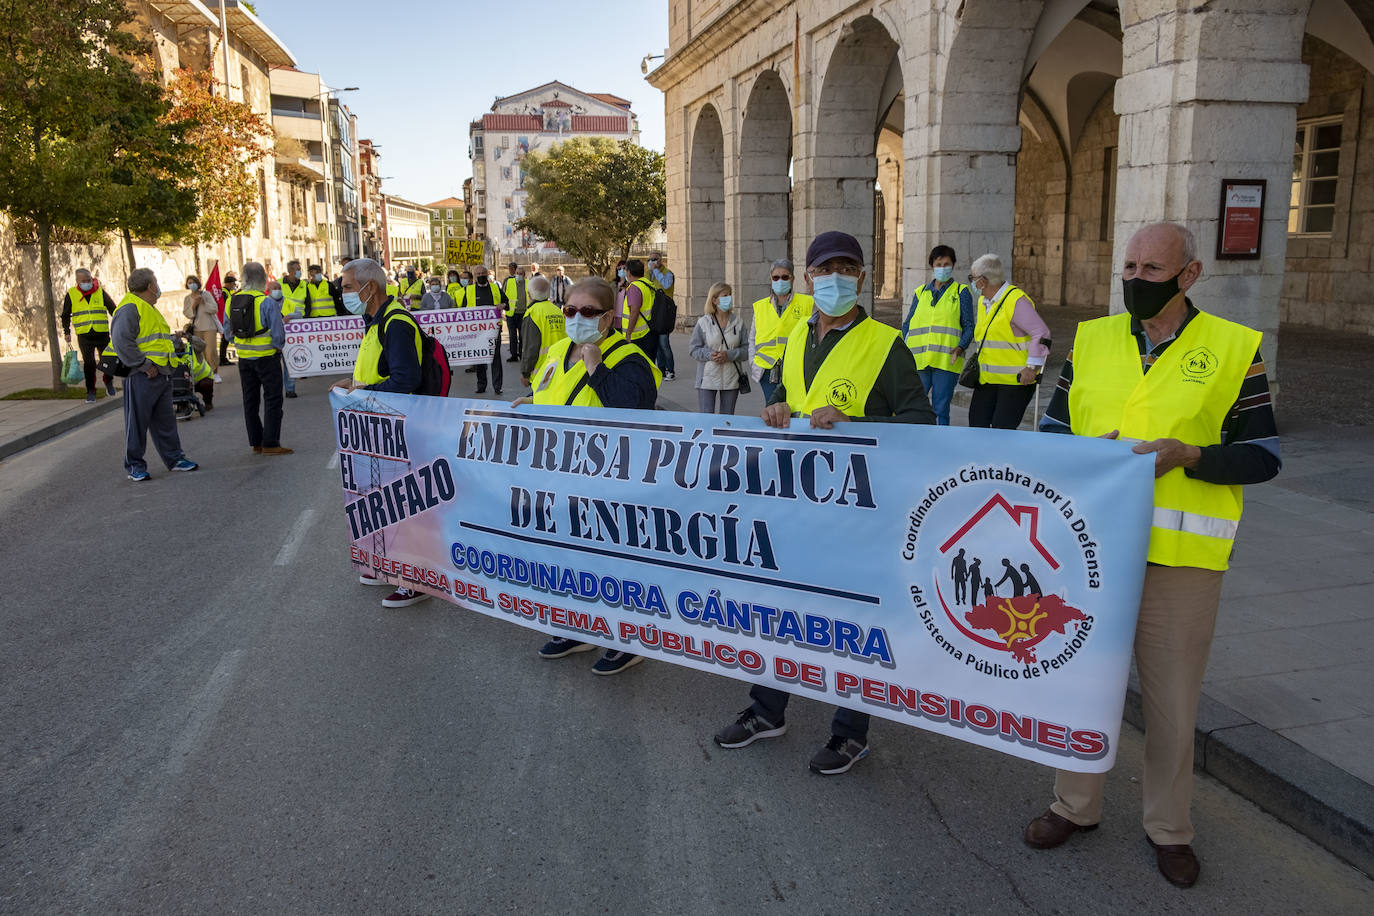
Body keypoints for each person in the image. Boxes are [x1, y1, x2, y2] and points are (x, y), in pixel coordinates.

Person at [1026, 222, 1282, 889]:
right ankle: (1073, 805)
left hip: (1182, 562)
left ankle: (1169, 829)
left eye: (1152, 269)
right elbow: (1050, 436)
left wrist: (1191, 455)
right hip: (1090, 556)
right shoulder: (1096, 339)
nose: (1137, 280)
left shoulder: (1233, 349)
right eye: (1130, 267)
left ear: (1190, 275)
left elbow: (1264, 457)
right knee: (1084, 688)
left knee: (1172, 704)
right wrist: (1085, 455)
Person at [713, 230, 935, 775]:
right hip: (794, 500)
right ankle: (767, 711)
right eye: (824, 269)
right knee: (780, 607)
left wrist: (859, 425)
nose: (835, 278)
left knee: (854, 623)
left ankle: (850, 734)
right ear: (808, 276)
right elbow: (780, 389)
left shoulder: (886, 344)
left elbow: (922, 426)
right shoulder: (795, 338)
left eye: (847, 269)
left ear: (860, 277)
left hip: (859, 510)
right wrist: (776, 406)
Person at [518, 276, 660, 675]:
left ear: (608, 317)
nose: (576, 318)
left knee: (614, 564)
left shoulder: (629, 357)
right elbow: (554, 393)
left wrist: (597, 368)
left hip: (607, 482)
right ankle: (579, 626)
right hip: (557, 478)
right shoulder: (559, 349)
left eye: (588, 312)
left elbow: (635, 409)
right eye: (570, 310)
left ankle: (628, 638)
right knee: (569, 560)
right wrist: (529, 402)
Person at [332, 258, 429, 611]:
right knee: (380, 501)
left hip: (400, 426)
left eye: (345, 287)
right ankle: (389, 567)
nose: (341, 293)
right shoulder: (375, 321)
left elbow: (406, 379)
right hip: (378, 427)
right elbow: (377, 371)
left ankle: (413, 579)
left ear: (368, 287)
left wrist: (364, 392)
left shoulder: (396, 323)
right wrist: (353, 385)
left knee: (403, 505)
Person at [104, 267, 199, 480]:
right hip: (142, 375)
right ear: (149, 286)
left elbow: (153, 338)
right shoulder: (129, 308)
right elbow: (122, 342)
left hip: (161, 374)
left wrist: (174, 339)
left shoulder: (148, 307)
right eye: (156, 283)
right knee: (137, 422)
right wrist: (144, 365)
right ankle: (135, 466)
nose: (158, 287)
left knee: (165, 421)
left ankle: (175, 459)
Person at [966, 254, 1051, 429]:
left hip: (1015, 382)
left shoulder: (1015, 301)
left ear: (982, 281)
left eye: (972, 278)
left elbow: (1041, 333)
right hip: (987, 379)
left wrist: (1032, 367)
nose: (972, 283)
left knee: (1001, 430)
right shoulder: (984, 301)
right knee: (977, 424)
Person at [903, 245, 976, 426]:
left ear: (953, 266)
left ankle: (940, 445)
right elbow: (907, 324)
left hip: (946, 360)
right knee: (915, 407)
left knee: (941, 409)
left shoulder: (961, 292)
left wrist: (961, 347)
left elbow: (969, 326)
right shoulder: (920, 293)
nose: (943, 267)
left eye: (947, 264)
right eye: (939, 264)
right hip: (919, 361)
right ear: (932, 266)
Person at [226, 262, 291, 456]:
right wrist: (278, 348)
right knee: (272, 400)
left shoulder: (232, 300)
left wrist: (240, 342)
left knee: (250, 401)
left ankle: (256, 442)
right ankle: (271, 443)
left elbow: (227, 332)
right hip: (266, 357)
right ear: (263, 279)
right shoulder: (267, 302)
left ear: (243, 279)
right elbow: (277, 332)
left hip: (244, 359)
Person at [749, 258, 814, 403]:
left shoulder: (807, 303)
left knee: (793, 407)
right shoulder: (760, 307)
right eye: (776, 277)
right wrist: (753, 363)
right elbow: (752, 339)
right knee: (772, 408)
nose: (780, 280)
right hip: (767, 370)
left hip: (795, 368)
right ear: (771, 279)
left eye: (785, 277)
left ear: (792, 279)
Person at [689, 282, 748, 414]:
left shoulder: (738, 322)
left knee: (727, 419)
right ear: (714, 300)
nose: (729, 298)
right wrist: (710, 354)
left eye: (730, 295)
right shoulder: (703, 322)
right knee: (707, 418)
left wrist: (730, 355)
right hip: (707, 379)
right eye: (725, 295)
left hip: (731, 378)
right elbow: (694, 349)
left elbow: (746, 350)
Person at [62, 268, 120, 402]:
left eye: (89, 280)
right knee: (89, 364)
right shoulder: (71, 294)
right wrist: (67, 332)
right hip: (84, 335)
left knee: (108, 359)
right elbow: (65, 315)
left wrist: (119, 326)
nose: (88, 283)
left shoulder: (99, 291)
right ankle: (91, 392)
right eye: (84, 281)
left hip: (102, 333)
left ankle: (108, 380)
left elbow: (113, 309)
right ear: (77, 281)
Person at [455, 265, 505, 394]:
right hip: (476, 332)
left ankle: (497, 386)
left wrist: (503, 305)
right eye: (478, 274)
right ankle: (481, 385)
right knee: (480, 358)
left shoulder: (495, 288)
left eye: (483, 273)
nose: (481, 275)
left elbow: (508, 303)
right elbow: (462, 311)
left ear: (487, 274)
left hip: (494, 331)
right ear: (475, 276)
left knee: (495, 358)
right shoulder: (469, 290)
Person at [519, 275, 565, 388]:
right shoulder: (557, 310)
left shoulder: (532, 314)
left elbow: (530, 347)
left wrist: (525, 373)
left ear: (529, 294)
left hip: (541, 373)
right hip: (559, 368)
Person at [616, 258, 658, 362]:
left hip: (638, 336)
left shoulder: (634, 287)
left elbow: (634, 312)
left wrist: (628, 334)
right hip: (649, 332)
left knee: (639, 367)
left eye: (626, 270)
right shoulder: (647, 284)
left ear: (629, 272)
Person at [182, 274, 222, 382]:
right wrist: (194, 305)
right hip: (196, 328)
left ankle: (215, 372)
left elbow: (214, 309)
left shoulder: (206, 294)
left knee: (211, 350)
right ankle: (206, 373)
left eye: (193, 282)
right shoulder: (187, 298)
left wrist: (204, 303)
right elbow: (188, 314)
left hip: (209, 327)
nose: (191, 285)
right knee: (201, 352)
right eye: (189, 283)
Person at [646, 251, 676, 380]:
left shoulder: (667, 273)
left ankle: (670, 370)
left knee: (664, 343)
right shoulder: (650, 274)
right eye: (650, 259)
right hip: (654, 312)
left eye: (654, 259)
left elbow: (666, 285)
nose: (652, 261)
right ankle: (661, 370)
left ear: (660, 260)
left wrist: (656, 272)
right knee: (657, 344)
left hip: (665, 312)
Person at [267, 278, 298, 399]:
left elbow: (299, 314)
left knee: (289, 365)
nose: (278, 291)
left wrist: (289, 316)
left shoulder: (288, 302)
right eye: (274, 289)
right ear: (269, 290)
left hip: (289, 340)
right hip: (273, 340)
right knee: (274, 369)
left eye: (279, 288)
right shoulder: (266, 303)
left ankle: (290, 390)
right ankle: (275, 391)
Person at [172, 333, 215, 413]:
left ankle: (208, 402)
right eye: (174, 349)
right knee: (176, 388)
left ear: (182, 344)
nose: (176, 350)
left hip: (202, 379)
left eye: (178, 348)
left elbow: (202, 345)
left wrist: (188, 336)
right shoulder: (171, 355)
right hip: (184, 384)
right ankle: (182, 405)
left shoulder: (192, 348)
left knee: (206, 384)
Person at [502, 262, 528, 361]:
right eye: (517, 273)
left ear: (524, 275)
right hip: (511, 314)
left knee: (522, 336)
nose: (519, 275)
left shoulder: (528, 283)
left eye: (521, 274)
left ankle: (522, 354)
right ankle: (513, 355)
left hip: (523, 314)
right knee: (512, 336)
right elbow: (503, 295)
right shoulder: (509, 282)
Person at [219, 273, 238, 366]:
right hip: (224, 317)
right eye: (233, 283)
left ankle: (223, 358)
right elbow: (226, 304)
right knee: (225, 340)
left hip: (226, 317)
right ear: (229, 283)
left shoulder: (228, 292)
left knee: (225, 340)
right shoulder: (223, 292)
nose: (234, 286)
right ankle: (222, 359)